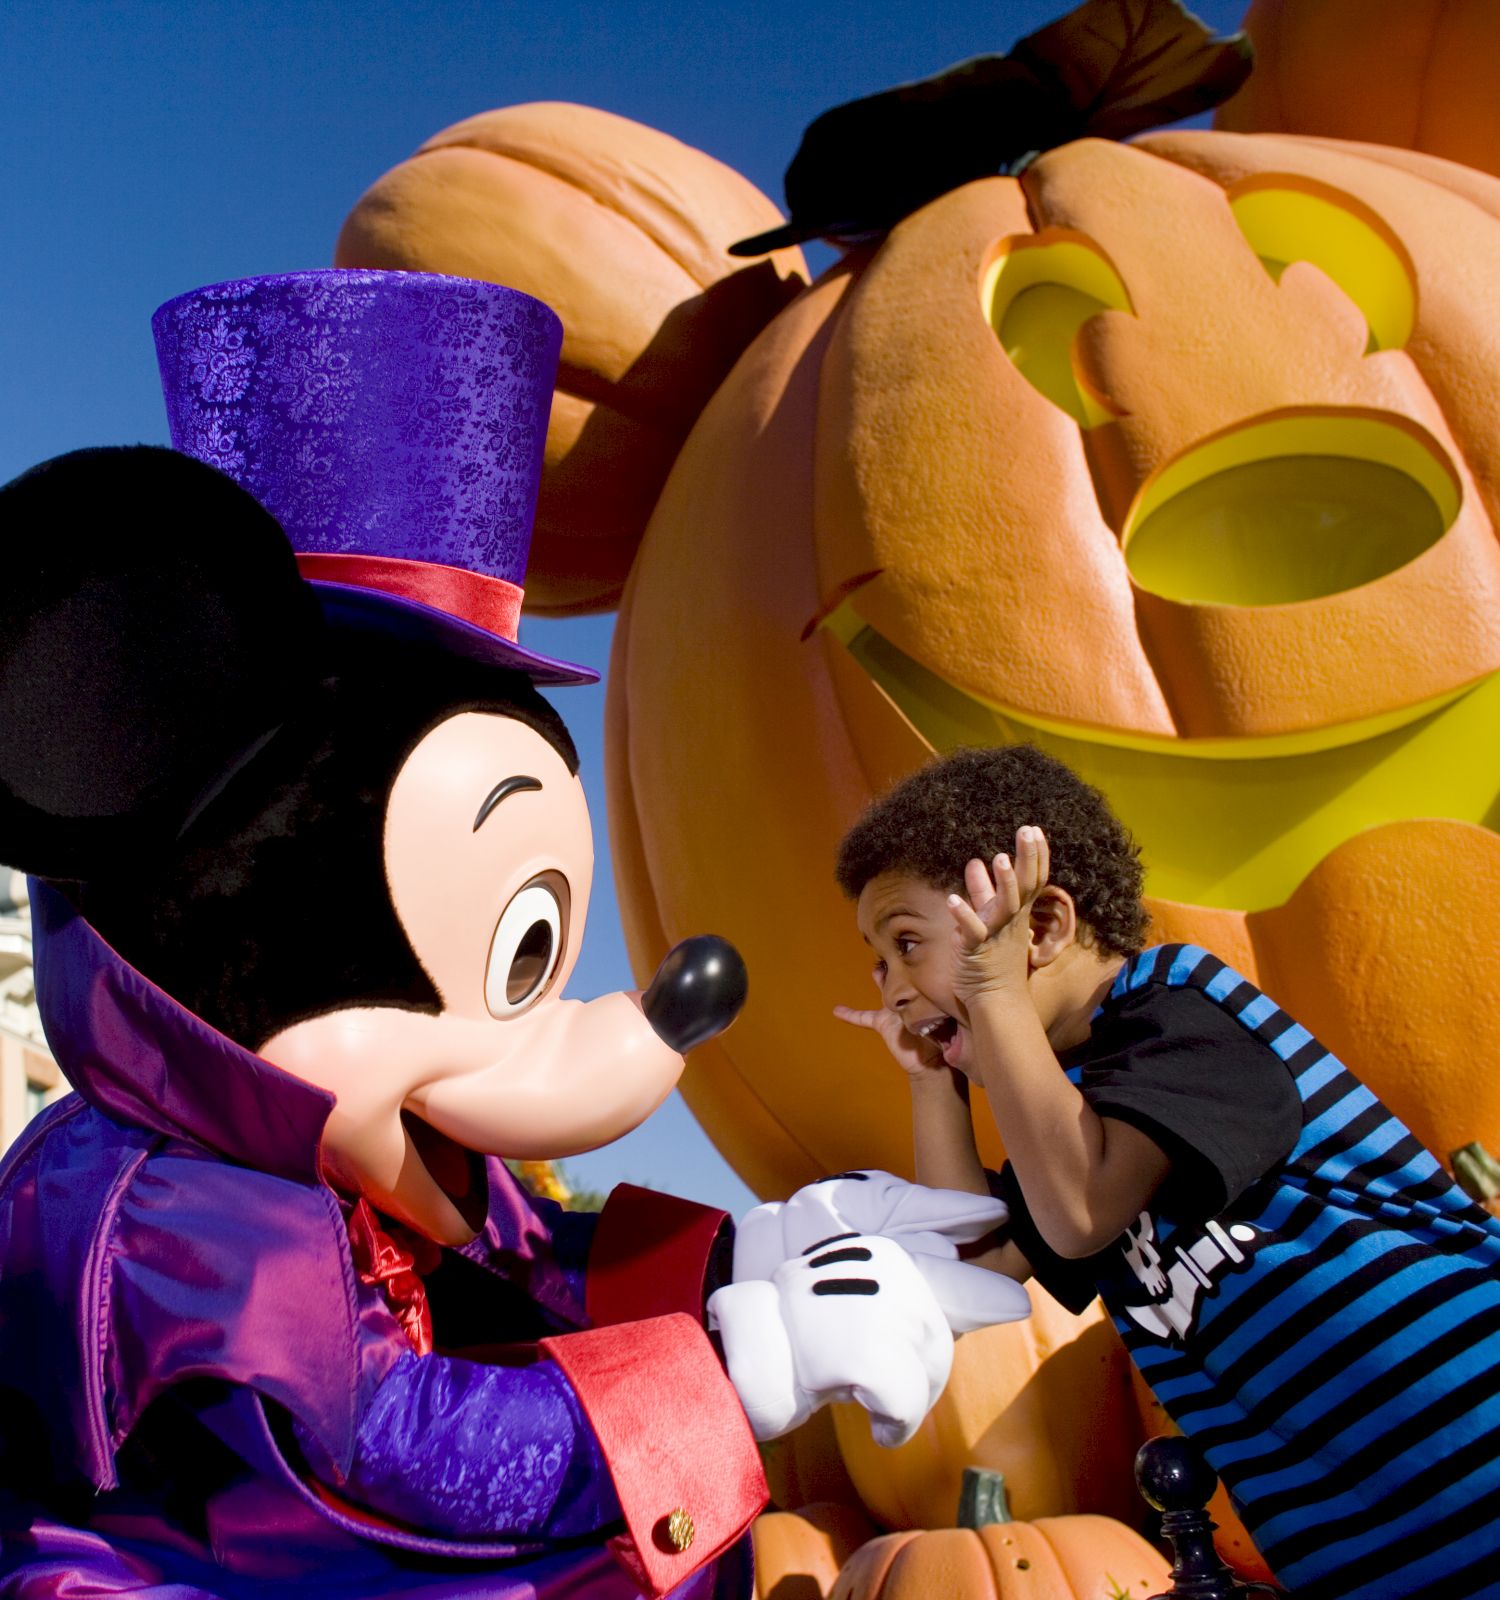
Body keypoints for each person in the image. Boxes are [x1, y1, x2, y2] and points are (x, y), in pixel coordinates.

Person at [834, 744, 1500, 1600]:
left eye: (909, 942)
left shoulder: (1180, 1009)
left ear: (1036, 929)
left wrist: (993, 998)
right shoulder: (1064, 1117)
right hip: (1361, 1536)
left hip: (1474, 1438)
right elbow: (970, 1263)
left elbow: (1079, 1211)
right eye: (880, 962)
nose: (891, 988)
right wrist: (934, 1086)